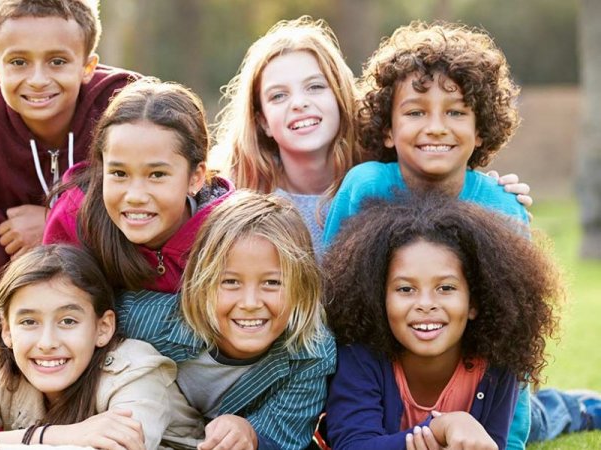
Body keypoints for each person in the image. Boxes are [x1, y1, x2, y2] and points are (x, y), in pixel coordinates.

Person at [321, 21, 600, 449]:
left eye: (456, 112)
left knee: (542, 417)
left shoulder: (501, 207)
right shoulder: (365, 187)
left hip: (474, 381)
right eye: (416, 112)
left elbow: (513, 329)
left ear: (481, 129)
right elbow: (334, 300)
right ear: (388, 130)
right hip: (387, 369)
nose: (435, 127)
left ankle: (579, 407)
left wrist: (511, 442)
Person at [0, 0, 138, 424]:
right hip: (19, 312)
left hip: (109, 294)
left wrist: (55, 221)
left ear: (88, 66)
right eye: (18, 61)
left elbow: (156, 207)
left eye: (57, 61)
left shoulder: (128, 111)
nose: (38, 79)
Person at [214, 16, 530, 252]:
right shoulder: (232, 199)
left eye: (315, 86)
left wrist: (500, 190)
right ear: (262, 121)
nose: (299, 103)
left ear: (340, 96)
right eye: (278, 96)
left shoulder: (378, 174)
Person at [0, 245, 199, 449]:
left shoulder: (136, 370)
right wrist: (53, 435)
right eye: (29, 322)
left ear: (103, 328)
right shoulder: (3, 373)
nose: (47, 343)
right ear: (6, 332)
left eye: (68, 322)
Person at [322, 195, 562, 449]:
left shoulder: (496, 358)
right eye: (405, 289)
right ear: (379, 300)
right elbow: (353, 445)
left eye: (446, 287)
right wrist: (441, 427)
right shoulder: (360, 354)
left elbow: (493, 443)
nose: (426, 304)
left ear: (474, 302)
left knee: (547, 418)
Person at [116, 191, 335, 450]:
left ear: (302, 287)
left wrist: (250, 433)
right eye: (230, 282)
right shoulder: (148, 320)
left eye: (272, 283)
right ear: (202, 283)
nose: (250, 303)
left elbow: (285, 437)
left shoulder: (310, 353)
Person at [43, 77, 234, 293]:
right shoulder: (76, 219)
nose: (135, 196)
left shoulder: (229, 234)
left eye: (157, 175)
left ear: (195, 178)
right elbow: (55, 306)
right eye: (119, 173)